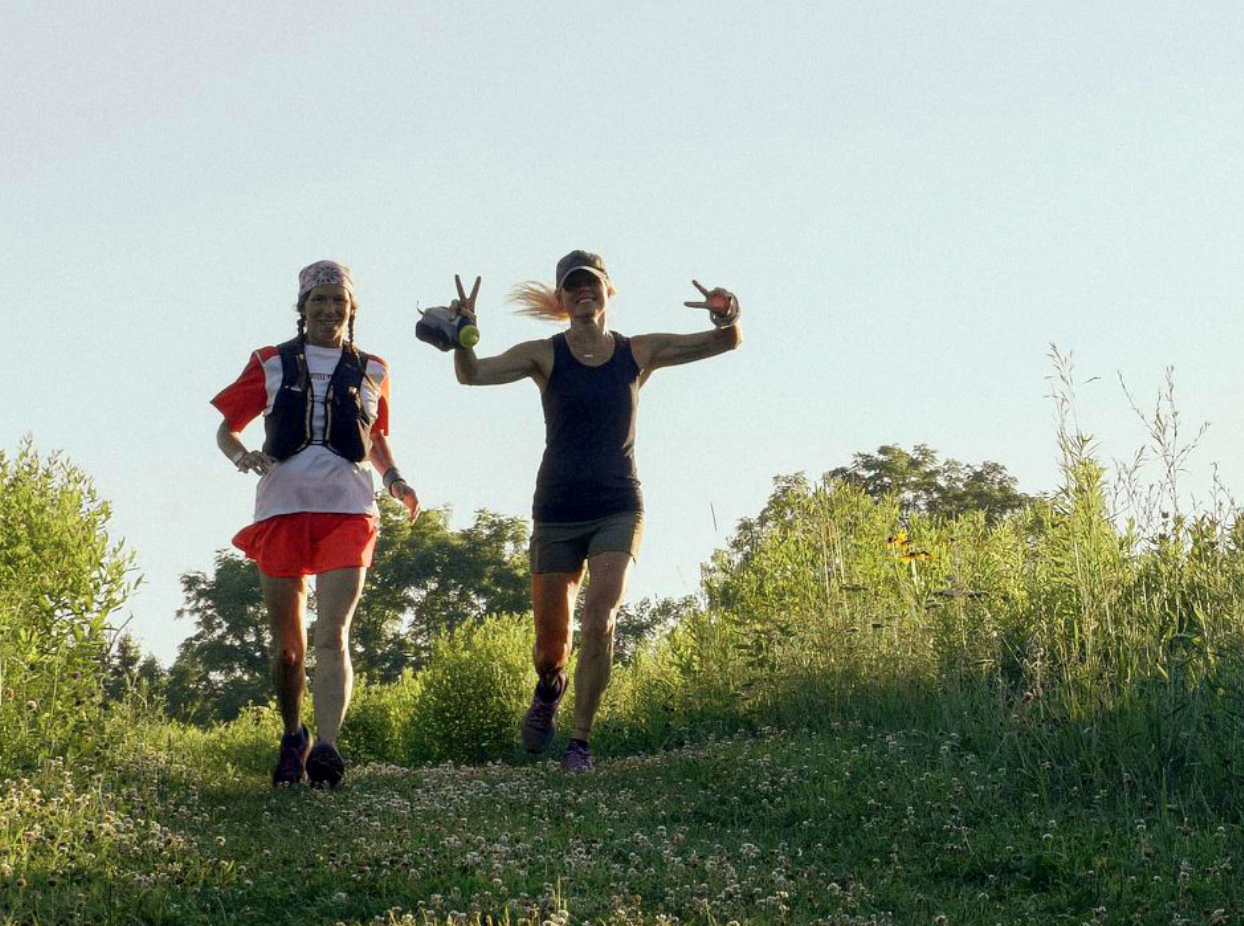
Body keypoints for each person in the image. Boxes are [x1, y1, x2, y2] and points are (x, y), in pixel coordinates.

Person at [447, 251, 742, 772]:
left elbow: (727, 341)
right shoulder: (544, 354)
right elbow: (471, 376)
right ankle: (549, 688)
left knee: (599, 618)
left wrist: (726, 311)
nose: (584, 291)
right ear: (561, 299)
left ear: (609, 291)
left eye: (593, 283)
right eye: (573, 285)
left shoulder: (638, 351)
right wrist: (463, 332)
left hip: (617, 505)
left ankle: (580, 742)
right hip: (557, 510)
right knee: (549, 648)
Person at [211, 260, 419, 788]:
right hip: (282, 507)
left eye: (339, 302)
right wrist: (242, 458)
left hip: (348, 509)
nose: (330, 311)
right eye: (319, 301)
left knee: (333, 633)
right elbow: (226, 430)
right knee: (288, 648)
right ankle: (292, 735)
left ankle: (327, 747)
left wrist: (395, 480)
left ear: (352, 309)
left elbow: (374, 437)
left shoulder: (373, 368)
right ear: (302, 308)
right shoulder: (270, 362)